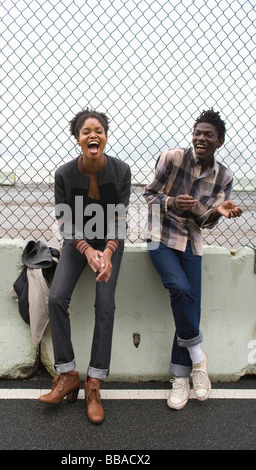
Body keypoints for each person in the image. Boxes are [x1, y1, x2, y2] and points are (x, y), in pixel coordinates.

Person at [144, 108, 242, 410]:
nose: (201, 138)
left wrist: (216, 212)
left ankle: (180, 377)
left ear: (219, 141)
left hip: (191, 241)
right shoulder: (171, 158)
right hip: (160, 236)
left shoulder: (223, 177)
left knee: (190, 309)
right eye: (197, 133)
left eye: (208, 135)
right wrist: (172, 201)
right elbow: (149, 195)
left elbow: (204, 221)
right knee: (180, 289)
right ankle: (199, 358)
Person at [39, 109, 131, 424]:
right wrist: (86, 250)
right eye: (86, 131)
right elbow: (65, 222)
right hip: (77, 243)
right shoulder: (64, 174)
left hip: (109, 246)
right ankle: (67, 375)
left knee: (105, 304)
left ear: (105, 136)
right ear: (78, 139)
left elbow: (120, 219)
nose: (93, 135)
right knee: (56, 298)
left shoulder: (121, 171)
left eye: (99, 130)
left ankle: (94, 383)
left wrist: (105, 251)